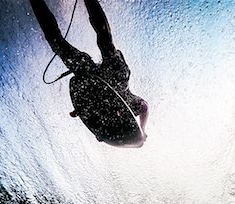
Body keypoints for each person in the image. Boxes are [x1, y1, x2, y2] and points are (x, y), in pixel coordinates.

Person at [30, 0, 148, 146]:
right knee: (105, 40)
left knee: (58, 45)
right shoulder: (131, 105)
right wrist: (142, 129)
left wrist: (79, 109)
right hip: (117, 77)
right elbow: (144, 106)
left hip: (90, 76)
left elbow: (86, 106)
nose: (117, 114)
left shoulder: (101, 117)